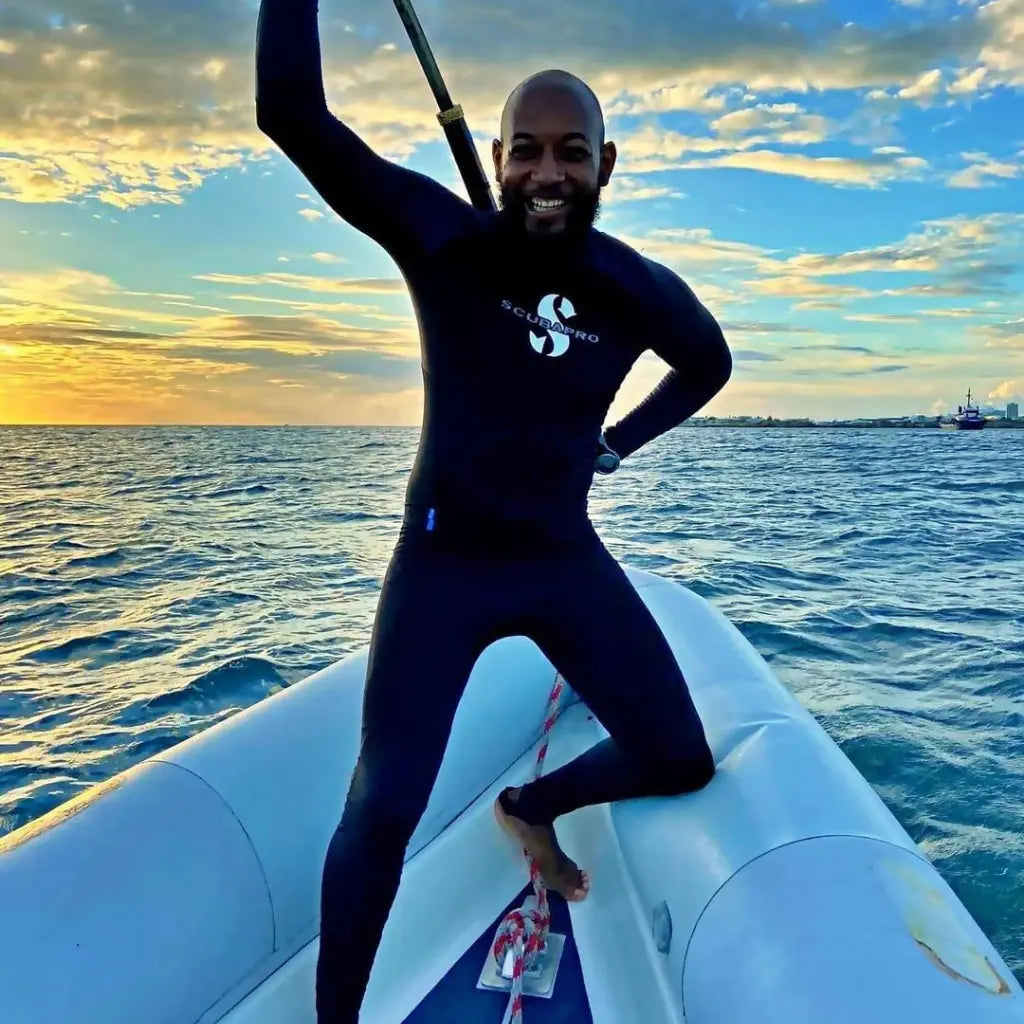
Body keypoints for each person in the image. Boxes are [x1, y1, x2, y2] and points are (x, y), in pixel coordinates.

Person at [255, 2, 732, 1020]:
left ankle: (530, 807)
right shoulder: (444, 241)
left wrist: (620, 442)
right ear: (500, 157)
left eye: (570, 152)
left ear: (609, 164)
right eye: (524, 151)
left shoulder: (633, 287)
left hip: (561, 555)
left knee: (679, 755)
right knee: (383, 806)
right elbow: (291, 112)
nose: (545, 174)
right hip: (444, 565)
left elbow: (709, 362)